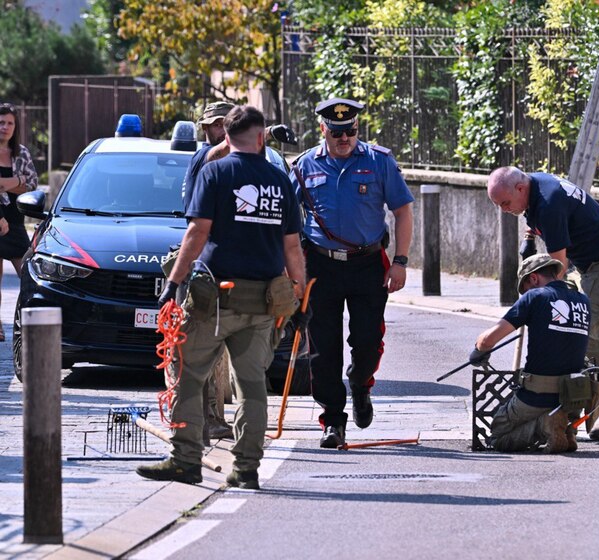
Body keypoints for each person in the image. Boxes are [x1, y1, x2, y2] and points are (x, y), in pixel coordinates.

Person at [137, 105, 305, 489]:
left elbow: (197, 233)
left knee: (189, 379)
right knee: (252, 386)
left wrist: (172, 284)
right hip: (262, 302)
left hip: (214, 301)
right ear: (262, 137)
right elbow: (293, 247)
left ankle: (184, 460)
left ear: (226, 138)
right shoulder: (280, 181)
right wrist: (299, 299)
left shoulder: (215, 171)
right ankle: (246, 469)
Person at [290, 98, 414, 449]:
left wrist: (401, 261)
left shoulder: (379, 161)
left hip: (367, 263)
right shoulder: (303, 166)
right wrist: (291, 270)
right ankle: (332, 420)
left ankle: (361, 385)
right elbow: (287, 220)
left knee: (367, 342)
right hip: (320, 265)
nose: (344, 139)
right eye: (336, 133)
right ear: (322, 130)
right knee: (322, 348)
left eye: (351, 132)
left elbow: (403, 211)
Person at [486, 166, 599, 441]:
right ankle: (567, 411)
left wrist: (535, 303)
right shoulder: (532, 188)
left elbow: (557, 269)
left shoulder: (549, 203)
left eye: (505, 203)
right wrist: (529, 238)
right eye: (498, 205)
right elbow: (534, 216)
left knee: (585, 335)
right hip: (588, 262)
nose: (503, 210)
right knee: (569, 330)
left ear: (519, 190)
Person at [471, 254, 592, 452]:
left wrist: (478, 350)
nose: (524, 293)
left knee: (498, 434)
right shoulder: (583, 301)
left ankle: (546, 425)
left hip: (538, 395)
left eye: (525, 287)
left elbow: (487, 340)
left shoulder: (535, 297)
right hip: (573, 396)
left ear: (534, 278)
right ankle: (564, 428)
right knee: (552, 412)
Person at [181, 101, 237, 442]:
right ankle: (202, 422)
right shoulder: (207, 159)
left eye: (225, 124)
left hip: (236, 263)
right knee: (201, 347)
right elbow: (195, 218)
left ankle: (218, 418)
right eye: (214, 125)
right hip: (206, 265)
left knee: (230, 352)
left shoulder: (244, 160)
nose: (219, 130)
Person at [0, 103, 38, 341]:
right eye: (1, 122)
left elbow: (32, 184)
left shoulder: (21, 153)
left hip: (15, 223)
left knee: (28, 275)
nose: (5, 127)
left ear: (16, 127)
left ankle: (31, 324)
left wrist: (9, 182)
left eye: (10, 123)